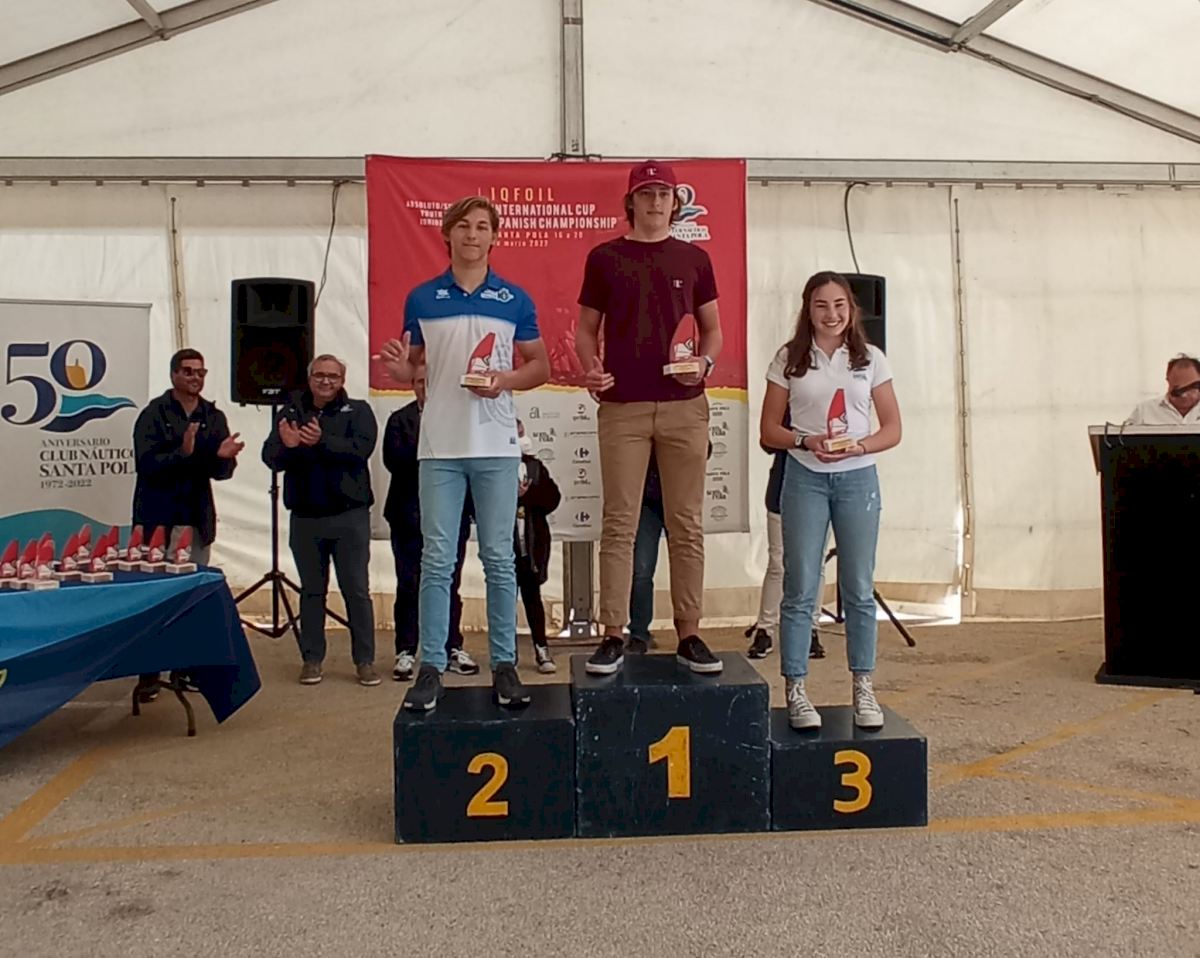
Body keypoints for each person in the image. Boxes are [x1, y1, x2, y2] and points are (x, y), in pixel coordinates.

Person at [377, 195, 550, 712]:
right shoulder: (422, 298)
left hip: (496, 446)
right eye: (464, 226)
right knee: (436, 559)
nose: (473, 235)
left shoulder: (514, 299)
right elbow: (413, 367)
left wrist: (505, 381)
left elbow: (539, 366)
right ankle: (431, 666)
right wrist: (400, 371)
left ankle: (504, 665)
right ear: (447, 235)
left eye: (482, 227)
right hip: (440, 447)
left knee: (499, 558)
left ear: (494, 236)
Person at [576, 160, 724, 676]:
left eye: (664, 194)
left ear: (675, 203)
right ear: (631, 202)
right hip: (623, 407)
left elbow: (713, 330)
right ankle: (613, 634)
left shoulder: (695, 258)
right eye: (647, 193)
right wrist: (591, 367)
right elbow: (586, 329)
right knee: (619, 523)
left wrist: (704, 364)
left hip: (685, 406)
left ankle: (690, 634)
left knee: (686, 524)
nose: (656, 201)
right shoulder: (605, 258)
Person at [759, 271, 902, 731]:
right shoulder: (789, 358)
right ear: (808, 309)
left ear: (851, 309)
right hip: (805, 478)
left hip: (858, 479)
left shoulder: (871, 358)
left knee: (858, 587)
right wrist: (805, 440)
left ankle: (863, 686)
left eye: (839, 304)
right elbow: (769, 430)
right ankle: (796, 689)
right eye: (821, 305)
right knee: (801, 585)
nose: (832, 314)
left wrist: (859, 446)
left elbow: (892, 428)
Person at [131, 347, 244, 701]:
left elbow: (222, 472)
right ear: (174, 375)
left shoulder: (213, 416)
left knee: (190, 599)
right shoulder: (153, 414)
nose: (196, 377)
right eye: (188, 371)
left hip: (195, 519)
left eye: (201, 372)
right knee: (154, 598)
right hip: (157, 519)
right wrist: (185, 452)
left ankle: (184, 668)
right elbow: (147, 465)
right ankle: (149, 674)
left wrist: (221, 458)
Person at [262, 354, 380, 687]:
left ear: (342, 380)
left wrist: (321, 441)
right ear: (310, 378)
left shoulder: (358, 411)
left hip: (349, 516)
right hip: (306, 518)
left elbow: (361, 450)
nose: (326, 381)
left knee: (356, 590)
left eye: (333, 376)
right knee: (312, 591)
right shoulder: (290, 412)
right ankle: (312, 659)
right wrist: (288, 448)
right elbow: (270, 457)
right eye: (319, 375)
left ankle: (365, 661)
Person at [381, 369, 479, 682]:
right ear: (413, 385)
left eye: (432, 380)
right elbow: (394, 460)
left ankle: (452, 646)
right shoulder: (400, 419)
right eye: (421, 381)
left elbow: (468, 464)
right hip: (408, 515)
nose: (427, 386)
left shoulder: (459, 419)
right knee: (409, 583)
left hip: (452, 515)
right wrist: (433, 447)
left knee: (449, 582)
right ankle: (407, 650)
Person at [745, 411, 826, 661]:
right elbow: (767, 441)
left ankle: (811, 628)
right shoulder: (786, 400)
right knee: (778, 563)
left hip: (822, 487)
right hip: (783, 486)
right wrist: (798, 437)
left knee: (815, 564)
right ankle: (765, 628)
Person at [513, 419, 561, 673]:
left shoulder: (535, 466)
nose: (521, 438)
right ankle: (506, 653)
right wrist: (510, 496)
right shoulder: (491, 467)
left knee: (533, 597)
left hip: (532, 545)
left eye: (521, 433)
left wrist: (527, 495)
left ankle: (541, 648)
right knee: (504, 599)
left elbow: (553, 499)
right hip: (504, 546)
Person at [1125, 355, 1200, 426]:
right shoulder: (1144, 411)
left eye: (1190, 388)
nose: (1184, 395)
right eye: (1178, 390)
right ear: (1168, 381)